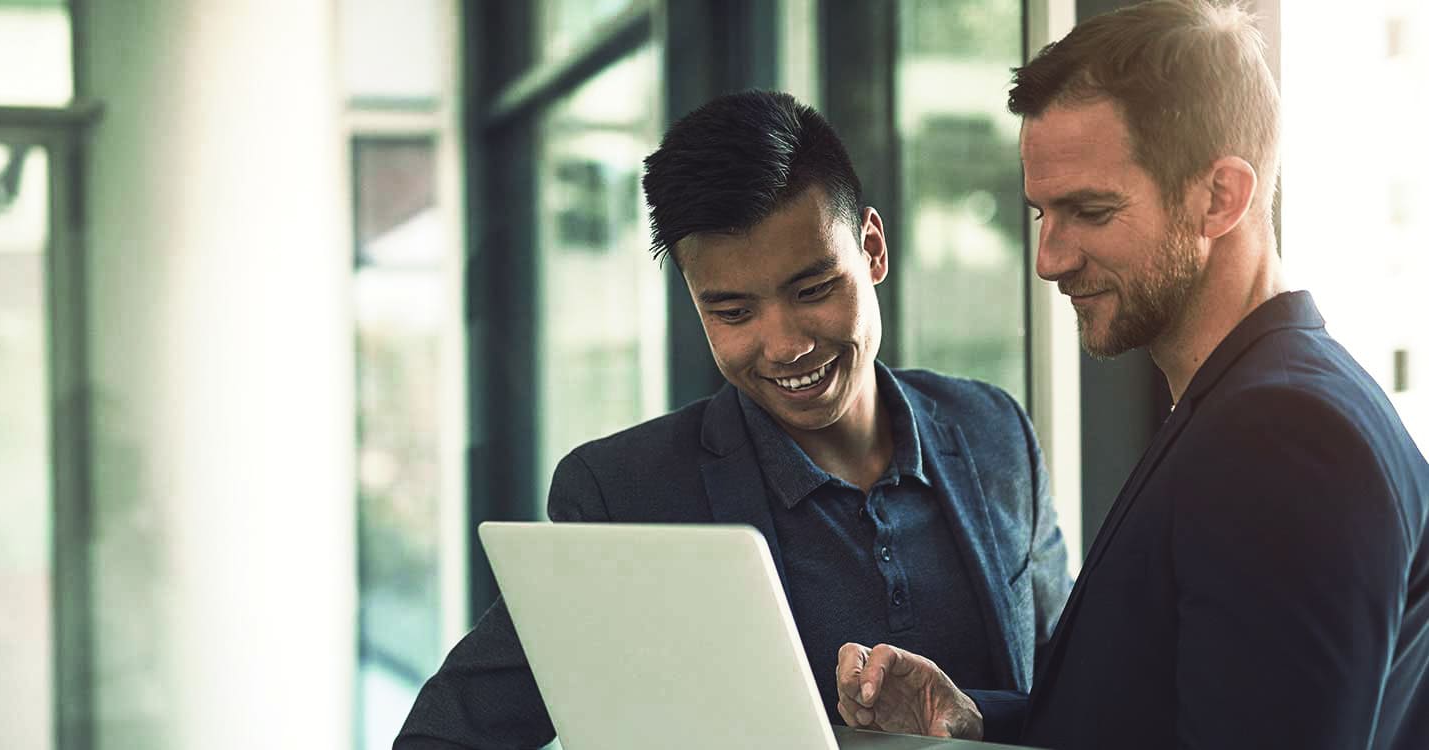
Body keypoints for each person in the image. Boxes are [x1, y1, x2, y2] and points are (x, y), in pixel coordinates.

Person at [395, 90, 1073, 749]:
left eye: (812, 289)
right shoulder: (627, 496)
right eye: (733, 312)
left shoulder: (994, 432)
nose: (784, 346)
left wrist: (972, 717)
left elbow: (1079, 699)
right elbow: (444, 736)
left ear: (871, 248)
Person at [834, 2, 1429, 748]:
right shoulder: (1249, 404)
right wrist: (976, 722)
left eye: (1090, 210)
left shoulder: (1283, 437)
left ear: (1222, 197)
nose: (1050, 258)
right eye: (1042, 214)